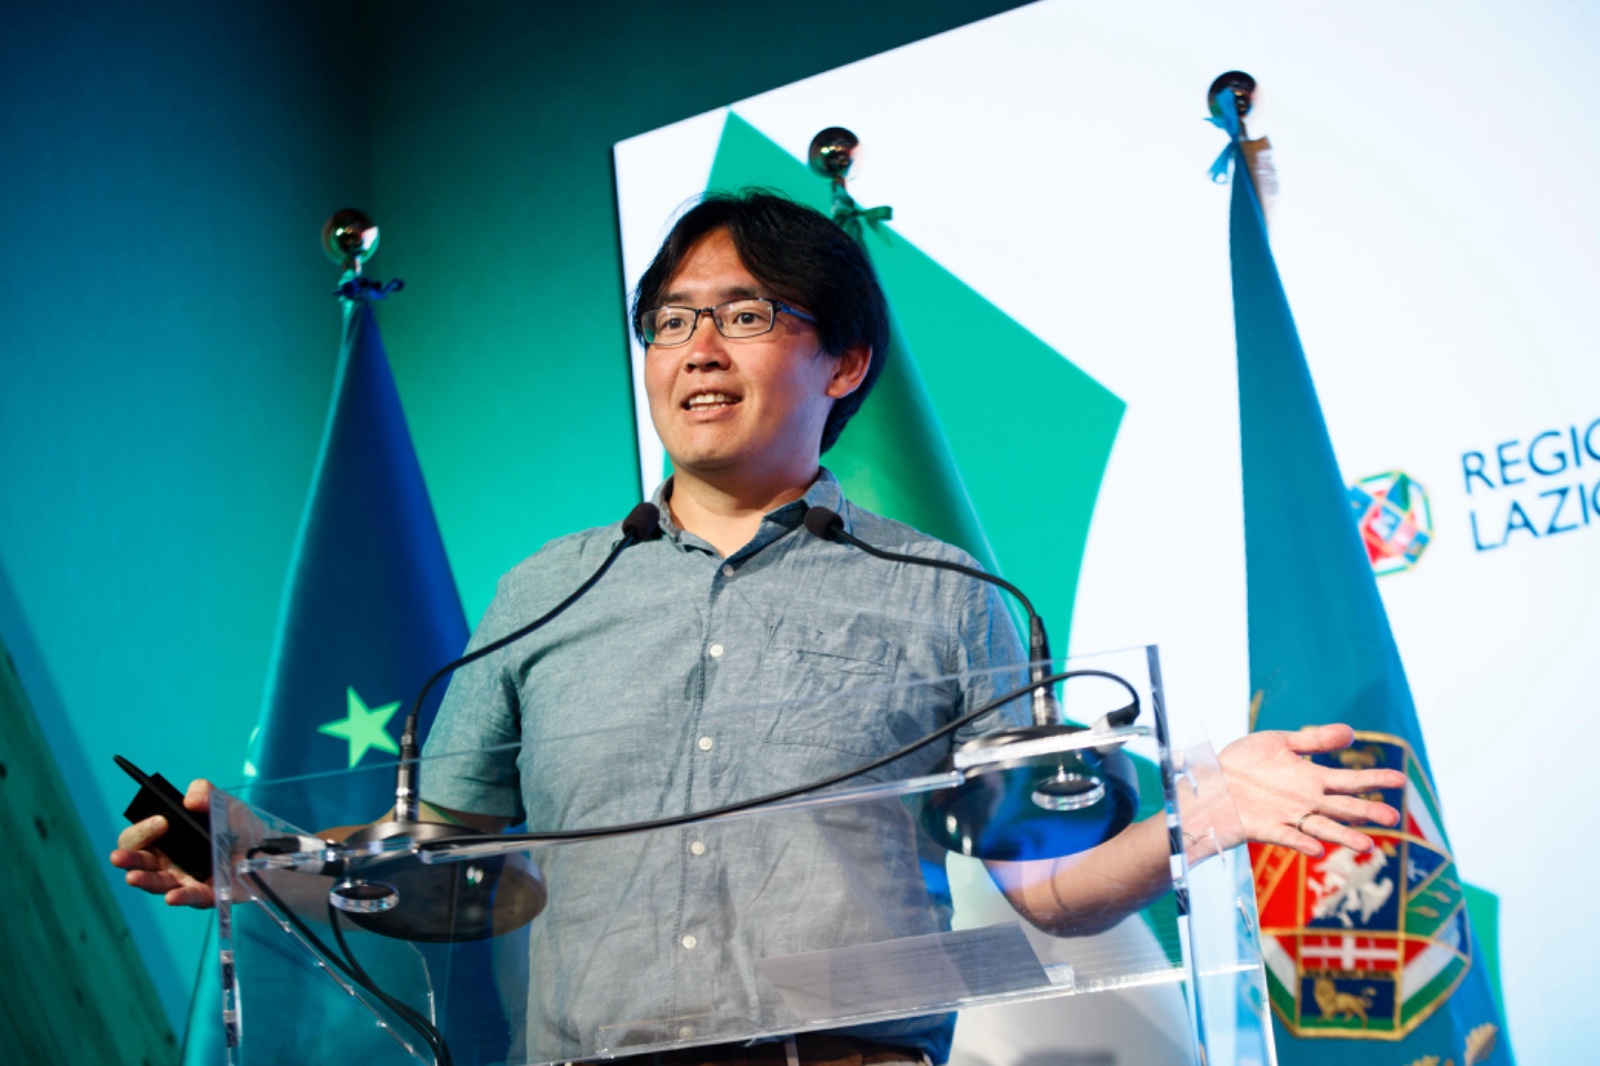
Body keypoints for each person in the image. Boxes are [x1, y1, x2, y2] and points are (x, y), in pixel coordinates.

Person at [114, 191, 1405, 1065]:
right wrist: (264, 857)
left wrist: (1203, 814)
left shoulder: (948, 593)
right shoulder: (542, 595)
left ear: (842, 363)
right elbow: (447, 876)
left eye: (742, 314)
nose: (696, 349)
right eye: (671, 321)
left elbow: (1048, 891)